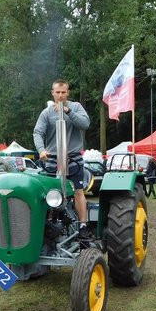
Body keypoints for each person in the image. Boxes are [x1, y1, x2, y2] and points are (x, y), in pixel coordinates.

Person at [33, 79, 91, 242]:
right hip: (52, 159)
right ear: (52, 93)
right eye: (57, 92)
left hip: (73, 158)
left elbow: (85, 124)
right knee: (47, 193)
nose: (60, 95)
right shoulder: (46, 113)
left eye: (63, 92)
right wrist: (41, 150)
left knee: (78, 191)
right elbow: (37, 132)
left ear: (68, 93)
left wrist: (67, 111)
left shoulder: (76, 107)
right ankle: (47, 225)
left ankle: (83, 225)